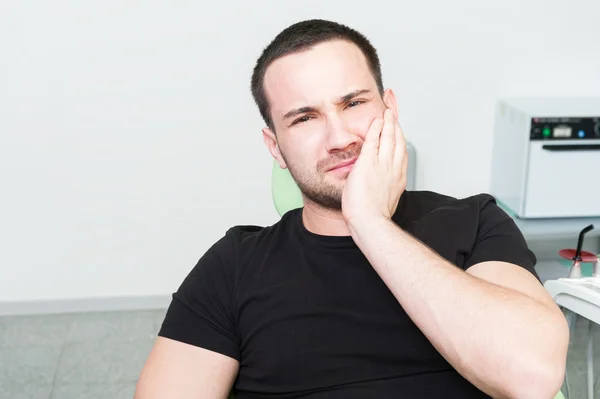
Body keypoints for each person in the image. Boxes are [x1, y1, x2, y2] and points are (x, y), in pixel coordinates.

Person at [136, 19, 569, 398]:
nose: (340, 137)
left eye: (354, 103)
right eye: (304, 118)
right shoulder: (232, 267)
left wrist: (369, 223)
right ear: (276, 148)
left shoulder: (472, 223)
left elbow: (531, 377)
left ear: (390, 109)